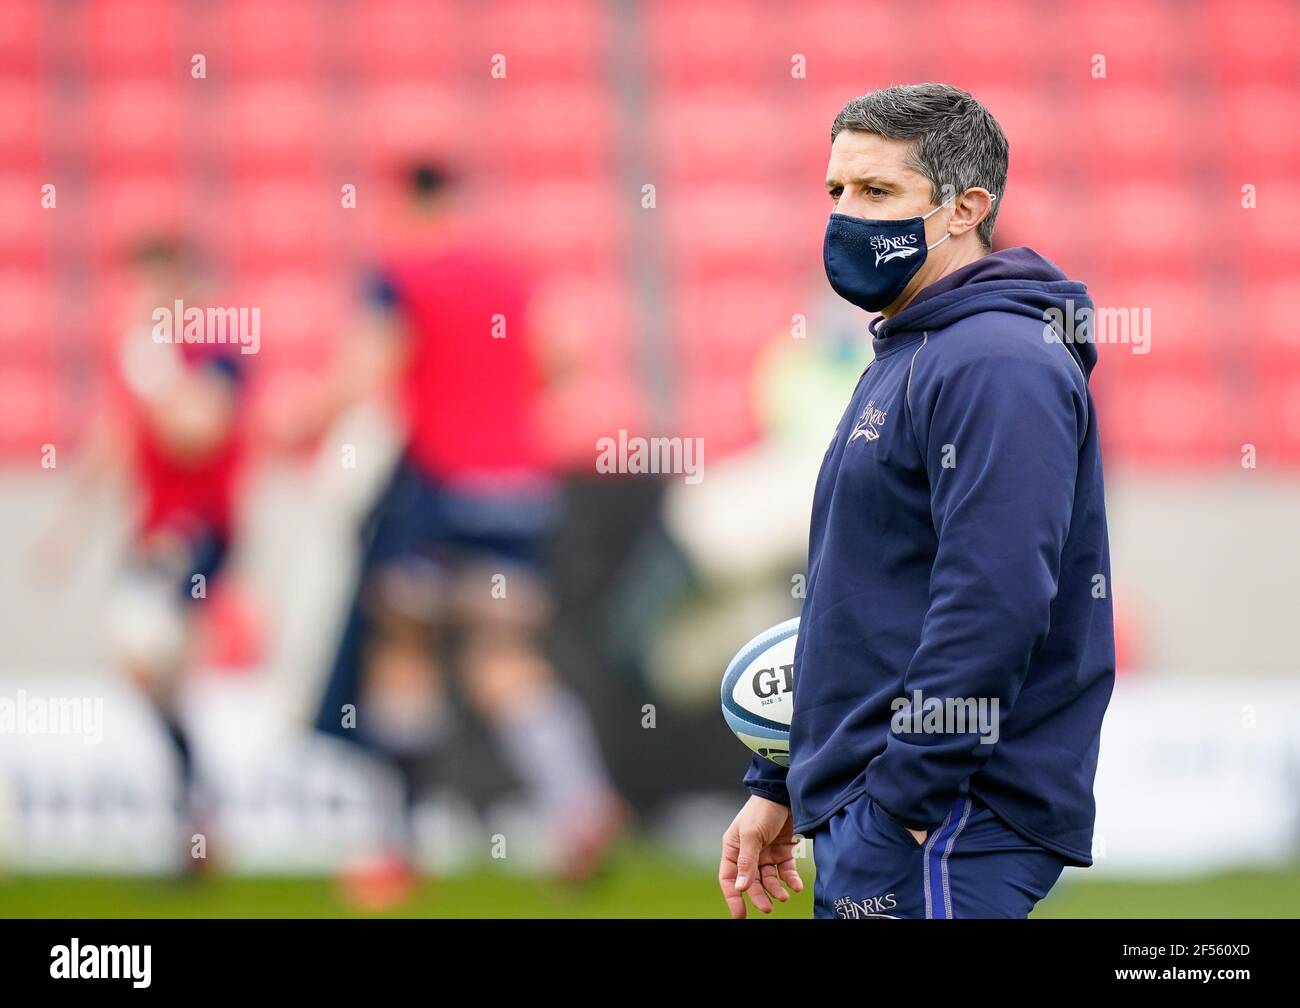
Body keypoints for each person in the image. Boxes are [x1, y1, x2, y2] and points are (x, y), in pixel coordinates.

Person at [719, 84, 1115, 920]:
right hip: (898, 810)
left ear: (966, 208)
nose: (845, 216)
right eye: (836, 192)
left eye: (877, 192)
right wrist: (786, 775)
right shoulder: (916, 346)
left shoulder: (997, 362)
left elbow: (994, 600)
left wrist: (903, 803)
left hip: (947, 817)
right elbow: (870, 587)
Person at [310, 163, 623, 902]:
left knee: (403, 650)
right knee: (502, 657)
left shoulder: (401, 274)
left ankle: (394, 848)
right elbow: (565, 357)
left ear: (406, 204)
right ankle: (579, 805)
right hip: (518, 492)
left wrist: (301, 422)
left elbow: (364, 370)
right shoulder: (513, 277)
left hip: (437, 492)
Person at [37, 237, 246, 870]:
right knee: (149, 668)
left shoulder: (216, 356)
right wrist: (68, 527)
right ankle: (198, 817)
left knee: (144, 644)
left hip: (198, 533)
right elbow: (115, 438)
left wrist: (154, 373)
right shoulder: (144, 360)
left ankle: (201, 813)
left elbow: (196, 434)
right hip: (153, 531)